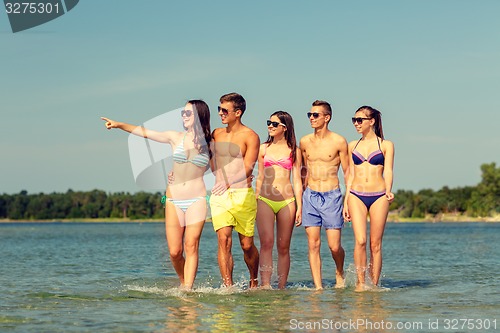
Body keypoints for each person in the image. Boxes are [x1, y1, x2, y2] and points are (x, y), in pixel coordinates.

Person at [101, 100, 212, 290]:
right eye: (182, 113)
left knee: (191, 245)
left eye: (187, 113)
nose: (183, 116)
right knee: (175, 252)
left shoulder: (210, 143)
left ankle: (188, 290)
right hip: (173, 200)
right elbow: (144, 132)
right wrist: (120, 125)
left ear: (199, 115)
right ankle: (184, 282)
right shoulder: (174, 137)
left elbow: (222, 169)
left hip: (197, 200)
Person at [209, 92, 260, 288]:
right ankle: (228, 287)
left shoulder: (250, 136)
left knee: (246, 245)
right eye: (219, 109)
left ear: (237, 113)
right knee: (223, 240)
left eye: (224, 110)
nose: (220, 113)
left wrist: (229, 181)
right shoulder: (216, 134)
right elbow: (207, 159)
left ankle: (254, 281)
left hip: (242, 195)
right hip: (220, 196)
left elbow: (248, 167)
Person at [343, 106, 394, 291]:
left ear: (371, 121)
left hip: (379, 195)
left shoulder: (386, 145)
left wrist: (389, 190)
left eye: (360, 120)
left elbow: (388, 170)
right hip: (356, 195)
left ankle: (374, 284)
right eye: (354, 120)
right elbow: (349, 176)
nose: (356, 123)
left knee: (375, 244)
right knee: (361, 240)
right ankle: (360, 283)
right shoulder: (352, 145)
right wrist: (345, 201)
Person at [299, 100, 349, 290]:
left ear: (326, 118)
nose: (311, 118)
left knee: (334, 246)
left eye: (315, 115)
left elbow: (348, 173)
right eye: (309, 115)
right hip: (310, 196)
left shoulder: (339, 141)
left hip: (332, 196)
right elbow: (303, 170)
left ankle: (339, 271)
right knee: (313, 244)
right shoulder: (304, 141)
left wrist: (347, 201)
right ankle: (318, 287)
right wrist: (300, 200)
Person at [255, 111, 303, 289]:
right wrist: (255, 198)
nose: (270, 126)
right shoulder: (263, 148)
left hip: (287, 201)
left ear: (285, 127)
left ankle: (282, 287)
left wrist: (299, 206)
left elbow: (297, 180)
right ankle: (266, 284)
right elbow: (259, 176)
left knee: (283, 246)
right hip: (265, 199)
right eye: (269, 122)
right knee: (266, 243)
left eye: (274, 124)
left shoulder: (294, 151)